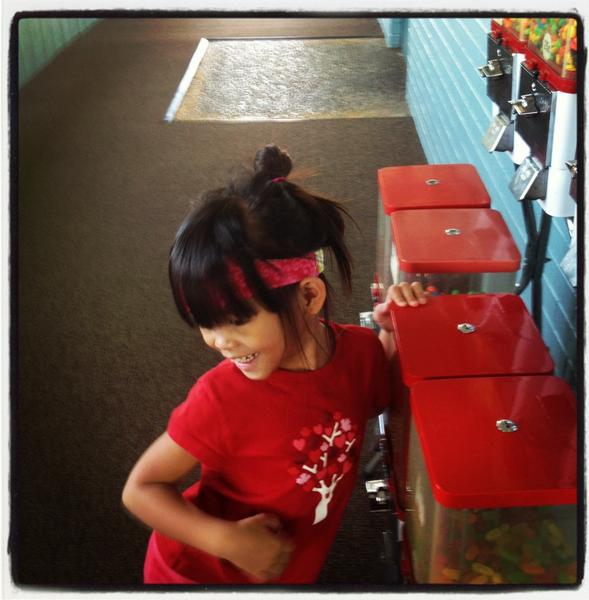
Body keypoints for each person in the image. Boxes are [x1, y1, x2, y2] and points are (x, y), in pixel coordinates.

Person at [121, 144, 427, 585]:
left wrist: (395, 325)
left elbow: (381, 389)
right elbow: (141, 489)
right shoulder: (222, 398)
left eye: (236, 321)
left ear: (308, 295)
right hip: (198, 576)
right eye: (204, 324)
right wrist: (227, 541)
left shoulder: (360, 355)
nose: (218, 342)